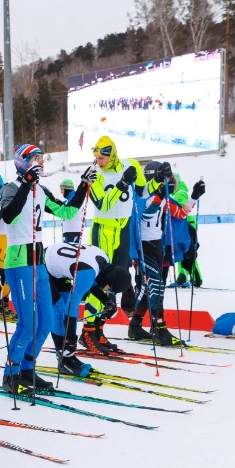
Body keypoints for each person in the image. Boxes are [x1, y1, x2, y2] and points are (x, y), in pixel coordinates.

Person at [0, 144, 88, 395]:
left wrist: (83, 185)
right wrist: (26, 184)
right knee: (28, 323)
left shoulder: (41, 190)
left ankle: (27, 369)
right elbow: (9, 217)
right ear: (23, 162)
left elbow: (66, 211)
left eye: (41, 158)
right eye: (35, 159)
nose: (40, 162)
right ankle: (11, 374)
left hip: (39, 263)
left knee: (46, 321)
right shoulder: (11, 188)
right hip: (19, 262)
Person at [85, 136, 143, 348]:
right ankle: (88, 331)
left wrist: (157, 180)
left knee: (115, 282)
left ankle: (99, 330)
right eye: (96, 157)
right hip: (103, 230)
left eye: (101, 158)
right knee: (100, 280)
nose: (98, 161)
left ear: (112, 155)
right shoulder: (93, 174)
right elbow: (103, 204)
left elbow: (142, 192)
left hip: (123, 229)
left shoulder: (131, 164)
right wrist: (122, 184)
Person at [44, 242, 129, 376]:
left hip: (57, 269)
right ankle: (63, 359)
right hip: (42, 267)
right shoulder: (88, 271)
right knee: (60, 312)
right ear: (110, 279)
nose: (107, 291)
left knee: (63, 307)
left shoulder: (104, 261)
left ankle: (67, 357)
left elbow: (91, 282)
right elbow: (72, 306)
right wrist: (71, 338)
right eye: (110, 289)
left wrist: (105, 300)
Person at [126, 160, 185, 345]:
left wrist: (194, 196)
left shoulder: (163, 198)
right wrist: (159, 195)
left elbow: (180, 213)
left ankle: (135, 325)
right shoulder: (143, 196)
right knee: (156, 287)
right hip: (144, 247)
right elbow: (146, 215)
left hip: (158, 245)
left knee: (150, 288)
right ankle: (159, 328)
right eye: (162, 179)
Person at [176, 177, 206, 287]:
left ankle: (196, 278)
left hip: (186, 225)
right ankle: (182, 276)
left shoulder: (180, 192)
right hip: (183, 225)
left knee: (189, 253)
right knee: (180, 252)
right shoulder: (176, 192)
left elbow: (181, 210)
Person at [59, 179, 86, 244]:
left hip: (73, 233)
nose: (61, 192)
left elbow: (67, 208)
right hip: (70, 232)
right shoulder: (70, 200)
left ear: (66, 189)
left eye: (62, 189)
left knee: (71, 250)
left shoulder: (74, 200)